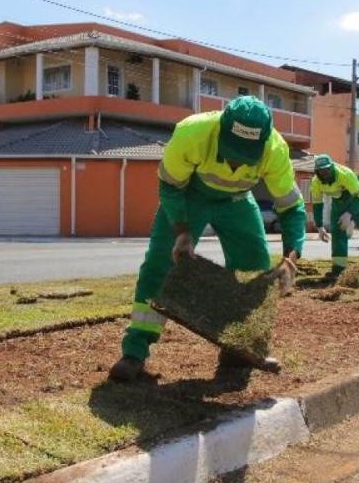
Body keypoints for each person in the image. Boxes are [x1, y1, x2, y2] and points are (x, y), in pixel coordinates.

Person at [109, 96, 306, 382]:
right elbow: (169, 186)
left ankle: (240, 349)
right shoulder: (192, 132)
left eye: (245, 153)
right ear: (221, 130)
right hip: (189, 196)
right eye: (232, 150)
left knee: (254, 267)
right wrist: (182, 232)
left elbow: (291, 207)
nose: (236, 161)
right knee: (160, 263)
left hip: (237, 200)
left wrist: (291, 258)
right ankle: (135, 352)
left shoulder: (275, 149)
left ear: (262, 143)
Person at [310, 154, 359, 277]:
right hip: (338, 203)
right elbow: (317, 205)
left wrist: (349, 214)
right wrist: (320, 227)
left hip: (357, 200)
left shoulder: (346, 174)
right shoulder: (316, 183)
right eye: (321, 171)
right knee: (337, 233)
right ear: (317, 172)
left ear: (332, 167)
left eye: (327, 169)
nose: (325, 173)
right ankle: (339, 269)